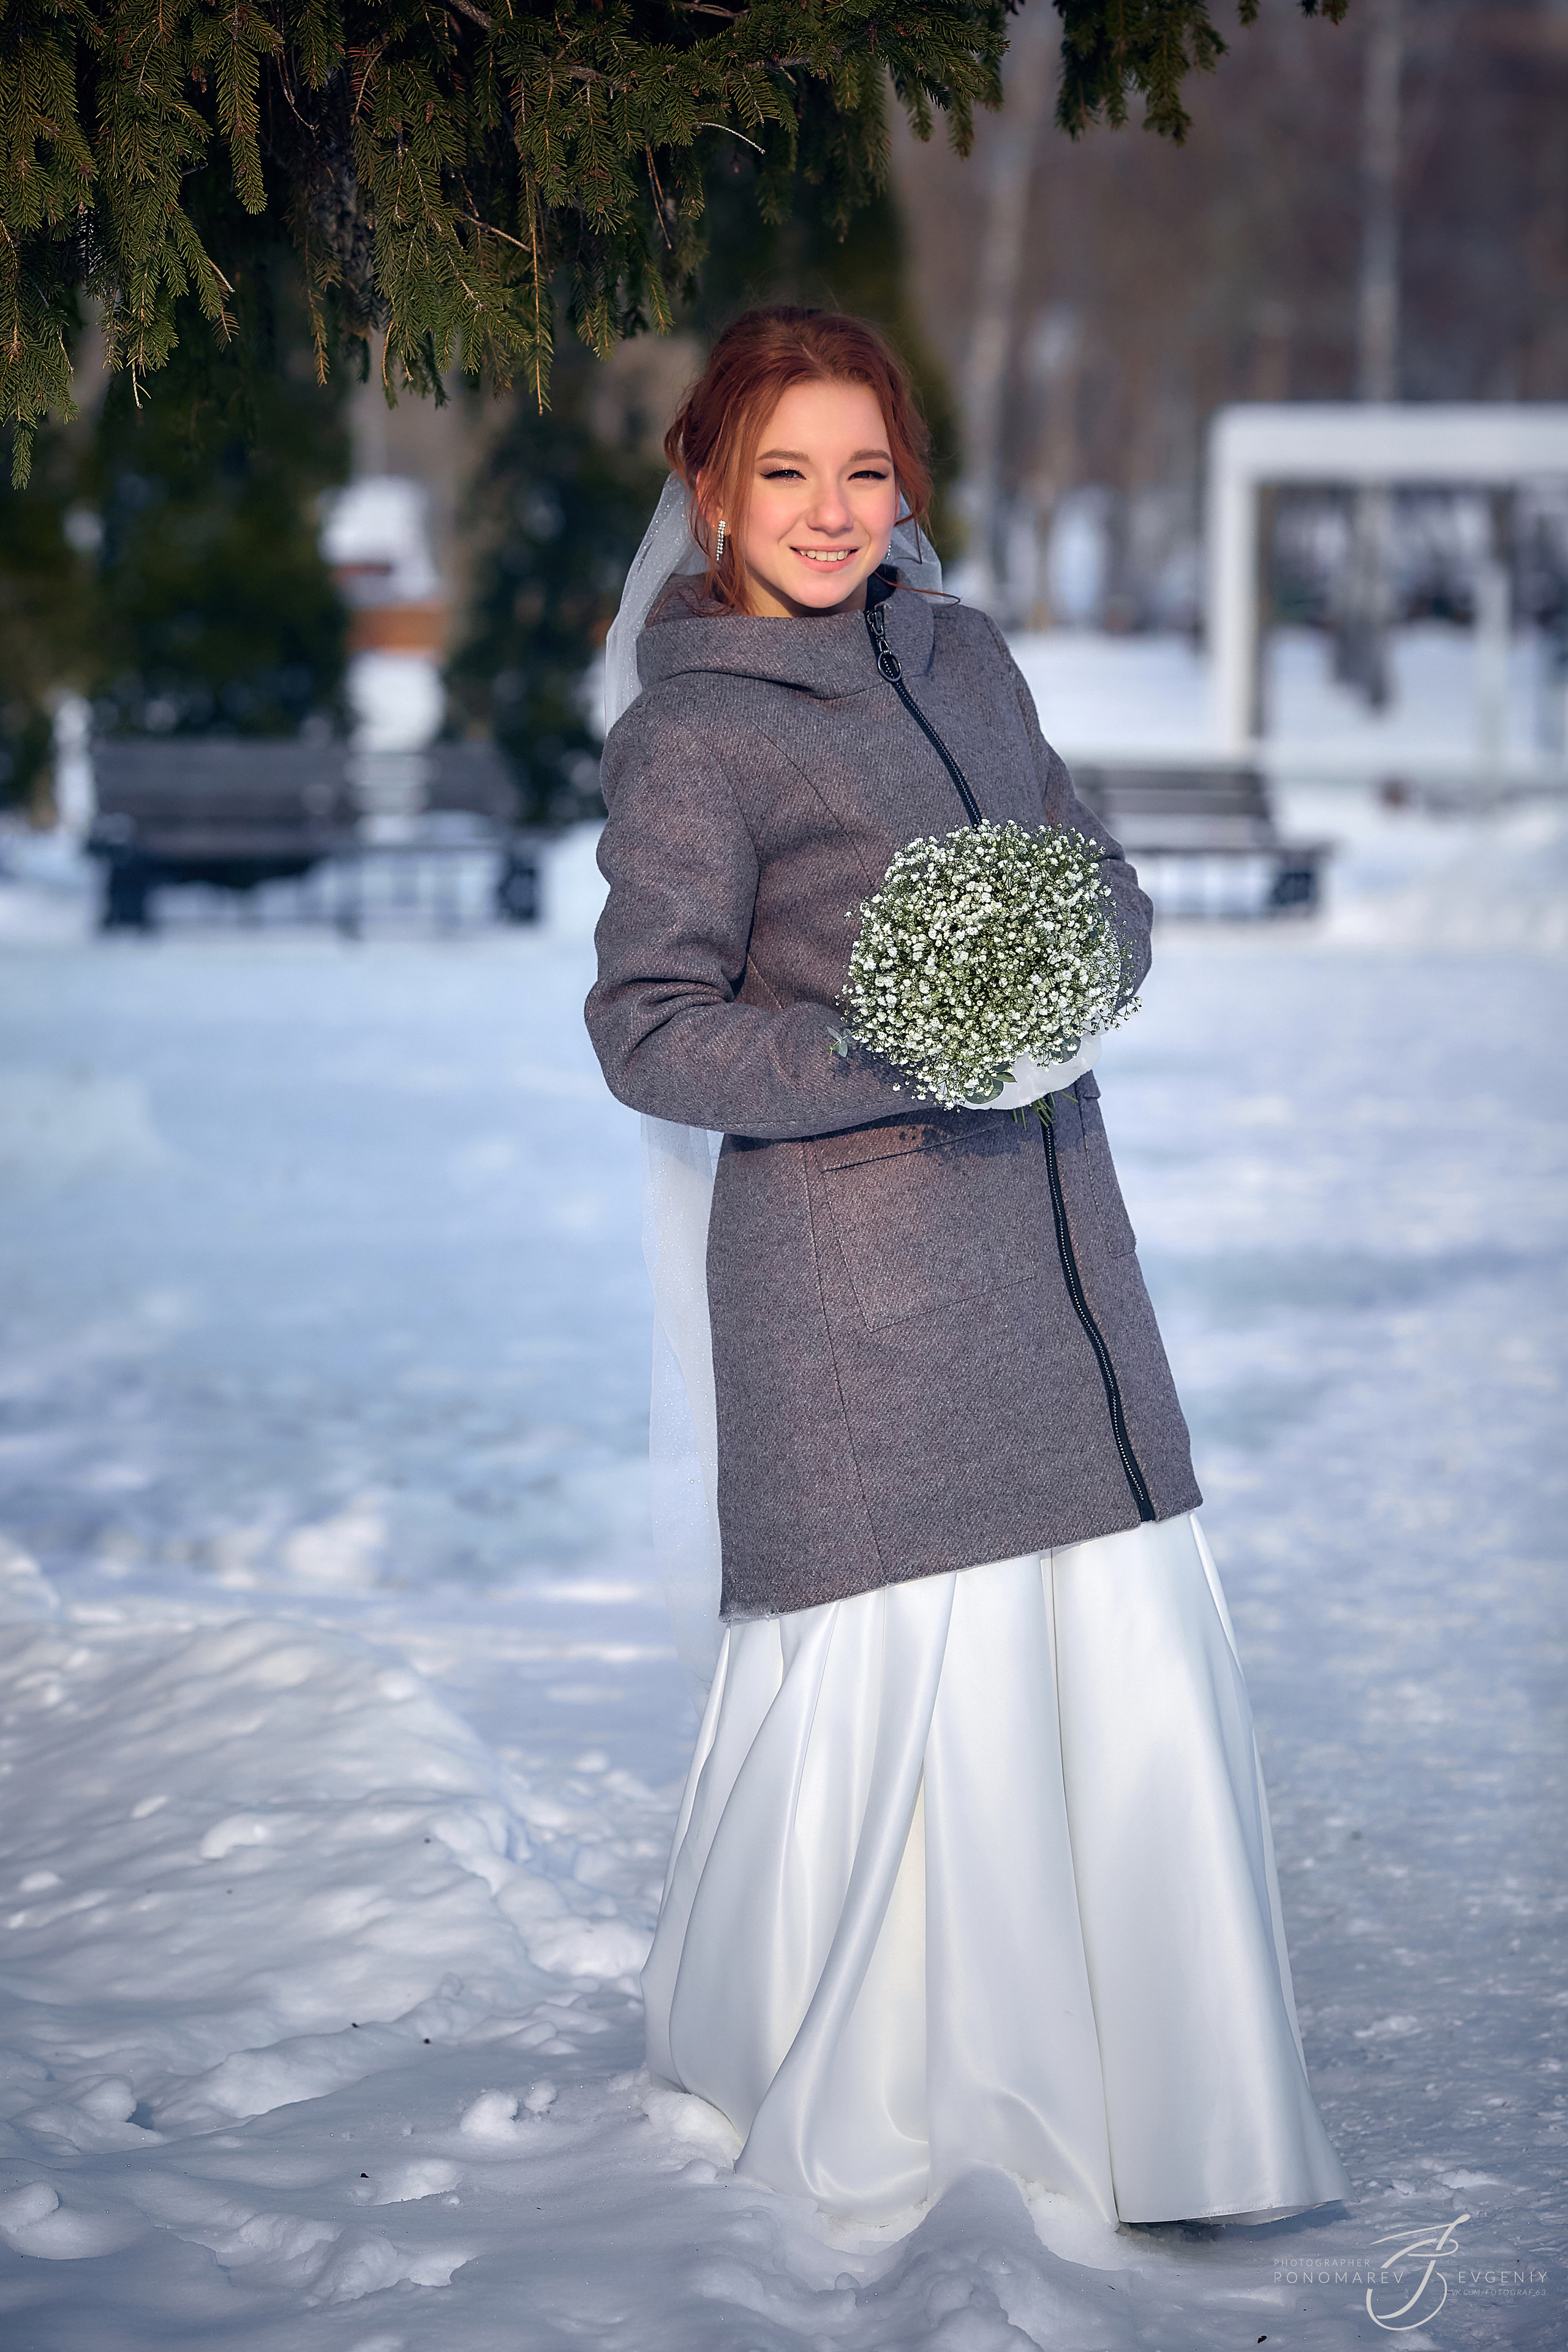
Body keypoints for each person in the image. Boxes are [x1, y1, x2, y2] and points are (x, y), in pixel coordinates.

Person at [584, 307, 1351, 2233]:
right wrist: (902, 1048)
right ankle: (905, 2110)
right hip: (861, 1305)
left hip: (1064, 1266)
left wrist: (1074, 972)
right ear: (710, 488)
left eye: (866, 469)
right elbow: (650, 1032)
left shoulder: (970, 656)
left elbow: (1097, 877)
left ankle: (1159, 2113)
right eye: (785, 471)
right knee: (918, 1684)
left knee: (1114, 1647)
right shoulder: (695, 732)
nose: (832, 509)